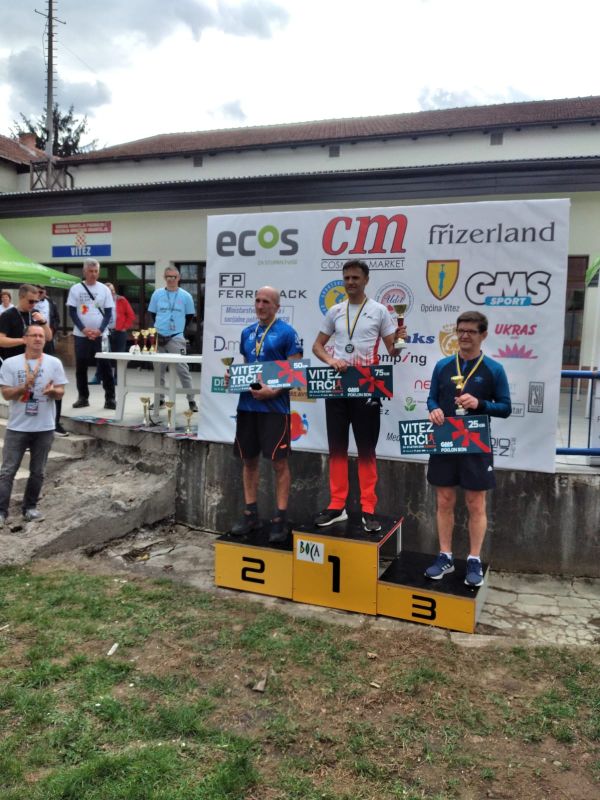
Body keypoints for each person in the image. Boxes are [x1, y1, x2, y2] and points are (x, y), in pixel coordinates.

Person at [311, 259, 406, 533]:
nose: (350, 282)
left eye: (355, 277)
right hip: (338, 386)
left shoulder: (379, 311)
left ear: (366, 280)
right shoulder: (335, 310)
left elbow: (392, 351)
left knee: (366, 449)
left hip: (367, 386)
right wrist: (331, 360)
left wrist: (400, 340)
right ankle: (336, 505)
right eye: (347, 278)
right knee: (337, 448)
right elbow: (317, 346)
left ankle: (368, 508)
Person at [425, 311, 512, 587]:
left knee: (475, 503)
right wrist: (434, 409)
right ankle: (445, 556)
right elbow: (431, 398)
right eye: (461, 330)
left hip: (475, 443)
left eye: (471, 331)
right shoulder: (442, 366)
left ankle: (474, 558)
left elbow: (506, 408)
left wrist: (480, 404)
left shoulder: (494, 369)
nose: (464, 336)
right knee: (444, 500)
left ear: (483, 335)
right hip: (445, 440)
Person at [230, 286, 302, 544]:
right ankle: (251, 514)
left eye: (266, 302)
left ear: (276, 307)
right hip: (247, 408)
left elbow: (295, 373)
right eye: (258, 301)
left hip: (275, 409)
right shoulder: (246, 333)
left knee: (279, 463)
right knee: (248, 460)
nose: (260, 306)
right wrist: (234, 378)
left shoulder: (287, 333)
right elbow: (248, 369)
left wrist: (274, 391)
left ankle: (280, 518)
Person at [0, 325, 68, 524]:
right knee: (7, 471)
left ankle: (30, 508)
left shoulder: (54, 362)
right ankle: (1, 511)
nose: (38, 339)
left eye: (41, 336)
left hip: (44, 427)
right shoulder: (11, 363)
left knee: (38, 471)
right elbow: (6, 394)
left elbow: (61, 391)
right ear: (25, 339)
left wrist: (53, 392)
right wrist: (23, 387)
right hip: (17, 427)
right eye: (34, 335)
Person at [66, 258, 116, 410]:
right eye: (90, 271)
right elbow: (72, 312)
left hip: (101, 335)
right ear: (84, 272)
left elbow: (108, 313)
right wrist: (83, 329)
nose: (93, 274)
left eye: (96, 271)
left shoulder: (104, 289)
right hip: (81, 335)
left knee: (106, 366)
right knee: (81, 366)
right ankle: (83, 397)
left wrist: (100, 330)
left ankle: (110, 399)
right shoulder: (75, 289)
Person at [147, 267, 198, 412]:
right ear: (164, 277)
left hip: (176, 337)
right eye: (168, 277)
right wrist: (161, 329)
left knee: (183, 370)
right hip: (159, 336)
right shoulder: (157, 294)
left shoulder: (186, 296)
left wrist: (179, 330)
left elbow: (189, 317)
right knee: (159, 370)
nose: (171, 279)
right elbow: (152, 314)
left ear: (179, 278)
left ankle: (191, 400)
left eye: (174, 277)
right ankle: (160, 400)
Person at [35, 285, 68, 436]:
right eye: (37, 291)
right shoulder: (26, 308)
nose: (40, 294)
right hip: (30, 346)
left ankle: (55, 422)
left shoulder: (51, 303)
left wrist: (52, 330)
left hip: (48, 343)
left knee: (53, 382)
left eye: (42, 291)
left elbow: (56, 319)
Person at [90, 282, 136, 384]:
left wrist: (124, 327)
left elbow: (131, 315)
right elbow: (94, 313)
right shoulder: (98, 301)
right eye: (109, 290)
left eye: (113, 290)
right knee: (102, 355)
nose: (111, 292)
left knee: (119, 356)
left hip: (119, 332)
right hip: (104, 332)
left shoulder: (121, 300)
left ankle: (117, 378)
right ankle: (98, 377)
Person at [0, 284, 52, 361]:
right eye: (31, 301)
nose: (33, 304)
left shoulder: (36, 313)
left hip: (34, 360)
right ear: (21, 298)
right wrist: (24, 340)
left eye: (36, 301)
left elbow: (48, 337)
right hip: (13, 360)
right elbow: (1, 341)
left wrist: (43, 322)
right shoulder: (7, 315)